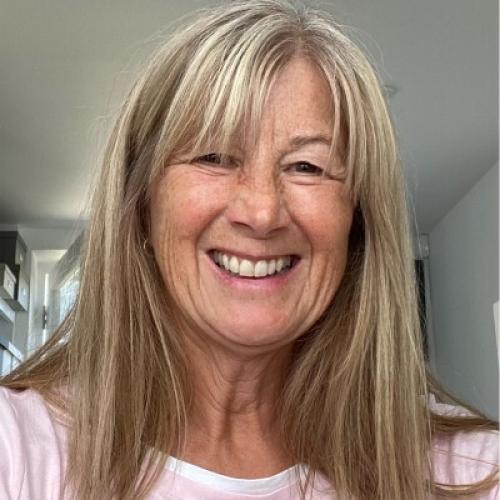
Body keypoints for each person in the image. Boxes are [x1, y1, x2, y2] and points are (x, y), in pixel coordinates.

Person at [0, 1, 498, 499]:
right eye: (214, 156)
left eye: (307, 167)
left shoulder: (472, 472)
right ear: (142, 203)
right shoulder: (18, 446)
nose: (261, 212)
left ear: (357, 221)